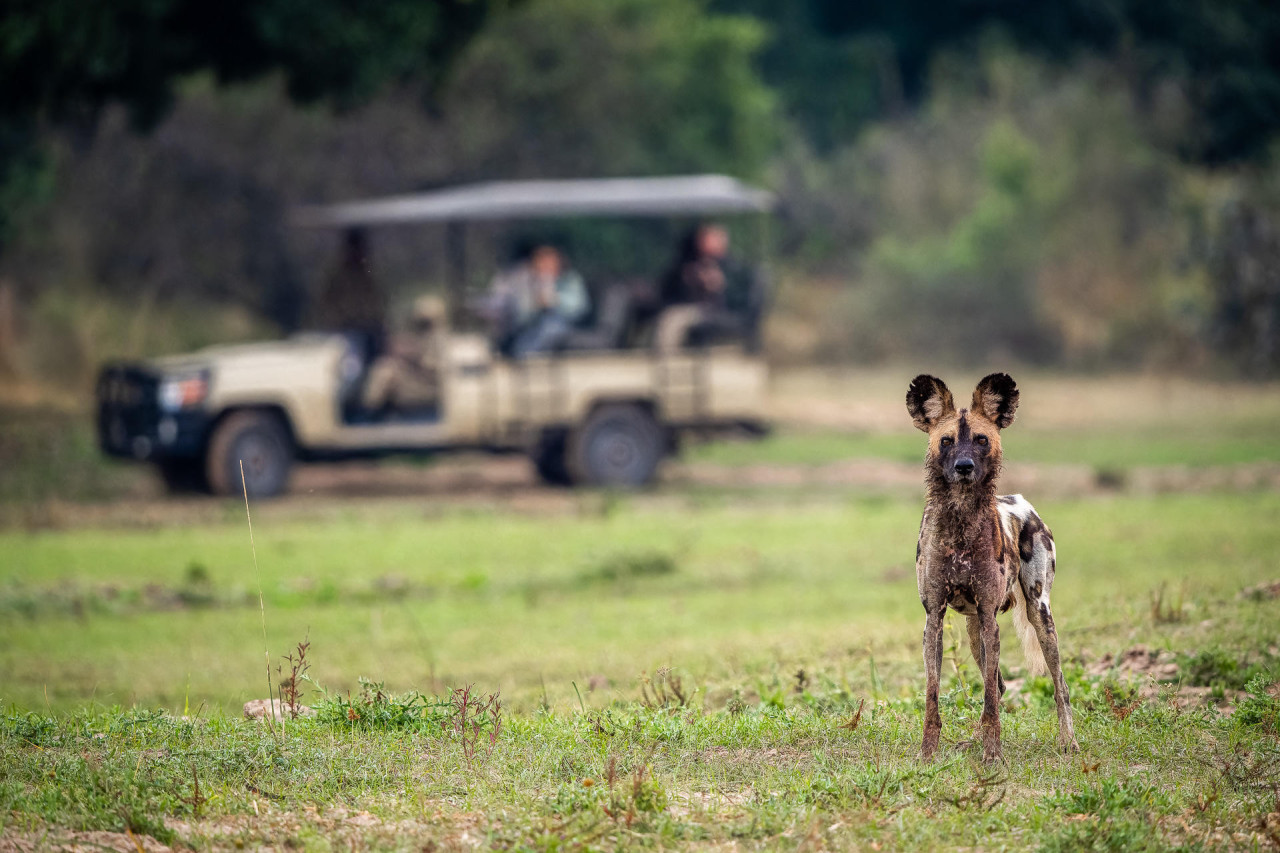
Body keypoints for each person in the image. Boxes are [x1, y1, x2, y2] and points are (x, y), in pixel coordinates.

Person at [655, 223, 761, 352]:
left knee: (673, 320)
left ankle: (667, 359)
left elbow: (738, 297)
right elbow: (671, 288)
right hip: (693, 307)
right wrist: (691, 280)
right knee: (670, 317)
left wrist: (717, 285)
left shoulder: (732, 267)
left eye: (709, 240)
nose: (703, 244)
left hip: (716, 311)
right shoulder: (690, 261)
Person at [484, 244, 589, 357]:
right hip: (531, 330)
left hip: (563, 327)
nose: (545, 264)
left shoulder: (570, 280)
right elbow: (520, 316)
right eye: (541, 260)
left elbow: (580, 308)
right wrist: (534, 305)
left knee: (551, 327)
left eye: (550, 260)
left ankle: (527, 356)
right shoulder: (526, 281)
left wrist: (554, 301)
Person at [360, 295, 445, 417]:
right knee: (384, 370)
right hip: (411, 386)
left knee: (386, 371)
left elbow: (433, 368)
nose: (422, 323)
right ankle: (367, 415)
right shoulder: (414, 334)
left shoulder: (442, 339)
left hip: (432, 390)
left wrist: (412, 357)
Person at [312, 227, 387, 362]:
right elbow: (328, 300)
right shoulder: (339, 274)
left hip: (369, 327)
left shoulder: (367, 272)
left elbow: (376, 299)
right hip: (348, 330)